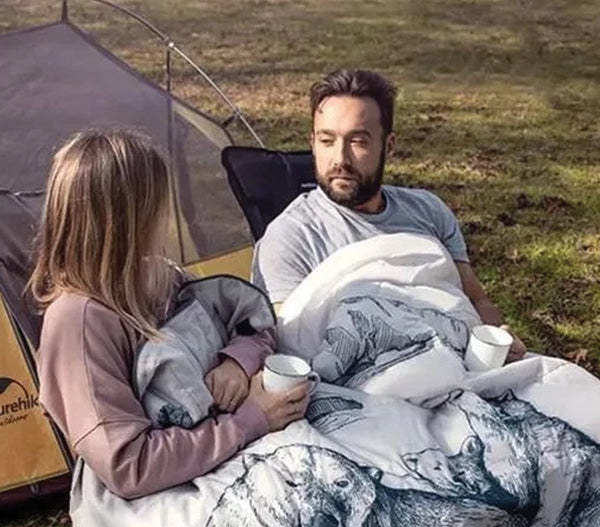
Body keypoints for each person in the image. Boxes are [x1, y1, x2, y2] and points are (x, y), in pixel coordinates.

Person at [30, 129, 309, 500]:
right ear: (128, 218)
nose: (167, 217)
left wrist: (237, 363)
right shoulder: (78, 321)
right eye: (159, 204)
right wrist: (249, 421)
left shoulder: (162, 276)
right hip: (160, 498)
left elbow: (250, 323)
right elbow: (130, 466)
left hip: (221, 451)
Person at [252, 69, 526, 361]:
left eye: (358, 141)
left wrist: (497, 338)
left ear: (389, 145)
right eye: (327, 141)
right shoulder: (291, 237)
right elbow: (291, 348)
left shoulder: (428, 212)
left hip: (460, 360)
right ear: (312, 143)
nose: (340, 160)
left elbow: (477, 300)